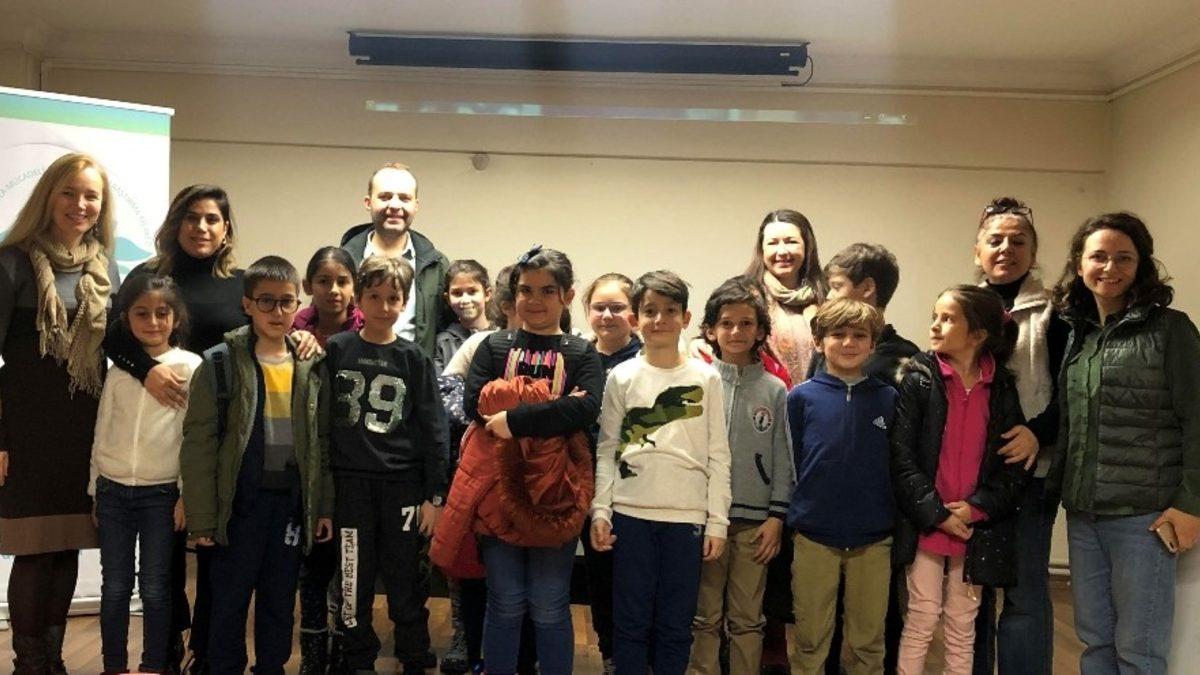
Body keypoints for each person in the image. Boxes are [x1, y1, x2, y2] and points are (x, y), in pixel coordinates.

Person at [104, 184, 249, 673]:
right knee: (162, 557)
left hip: (223, 435)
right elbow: (112, 339)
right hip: (161, 433)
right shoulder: (148, 276)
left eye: (212, 219)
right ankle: (165, 646)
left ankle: (204, 649)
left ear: (226, 228)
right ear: (174, 223)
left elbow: (266, 335)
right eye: (191, 217)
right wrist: (148, 372)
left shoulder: (240, 283)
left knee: (213, 550)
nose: (201, 227)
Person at [1049, 212, 1200, 675]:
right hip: (1084, 513)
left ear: (1141, 266)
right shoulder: (1078, 335)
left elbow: (1198, 418)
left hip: (1145, 518)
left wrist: (1190, 505)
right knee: (1094, 642)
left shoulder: (1170, 329)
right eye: (1098, 256)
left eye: (1124, 258)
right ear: (1080, 264)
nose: (1109, 268)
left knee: (1139, 650)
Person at [452, 246, 603, 675]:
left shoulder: (581, 352)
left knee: (550, 602)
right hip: (498, 489)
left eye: (547, 290)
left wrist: (514, 419)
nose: (534, 300)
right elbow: (476, 406)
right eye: (525, 290)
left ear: (567, 295)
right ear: (513, 295)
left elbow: (585, 409)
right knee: (505, 600)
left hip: (558, 492)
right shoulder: (493, 346)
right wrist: (553, 409)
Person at [180, 256, 333, 675]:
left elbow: (321, 444)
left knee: (280, 599)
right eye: (266, 301)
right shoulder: (219, 364)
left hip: (288, 506)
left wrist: (322, 506)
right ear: (247, 304)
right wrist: (202, 518)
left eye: (286, 302)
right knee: (228, 600)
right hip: (238, 507)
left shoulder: (310, 365)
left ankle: (272, 666)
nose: (277, 312)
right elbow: (198, 446)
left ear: (297, 304)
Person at [0, 152, 120, 673]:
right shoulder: (11, 262)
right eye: (69, 192)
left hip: (84, 431)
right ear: (48, 195)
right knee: (34, 549)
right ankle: (30, 664)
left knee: (69, 545)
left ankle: (53, 659)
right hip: (25, 432)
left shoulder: (106, 266)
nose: (80, 204)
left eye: (91, 195)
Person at [591, 270, 732, 675]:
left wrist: (717, 521)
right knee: (630, 622)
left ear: (685, 319)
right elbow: (607, 448)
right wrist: (601, 510)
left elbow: (719, 454)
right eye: (650, 311)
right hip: (630, 514)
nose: (660, 319)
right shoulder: (621, 377)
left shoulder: (706, 377)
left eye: (670, 311)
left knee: (675, 624)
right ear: (635, 319)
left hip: (686, 518)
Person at [890, 285, 1029, 675]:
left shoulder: (1001, 388)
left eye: (948, 319)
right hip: (928, 524)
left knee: (962, 624)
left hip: (974, 527)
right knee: (921, 616)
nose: (935, 325)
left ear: (978, 334)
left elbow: (1012, 466)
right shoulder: (918, 379)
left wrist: (976, 509)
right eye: (935, 316)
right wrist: (937, 514)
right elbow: (902, 458)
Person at [321, 255, 449, 674]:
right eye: (373, 296)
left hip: (402, 486)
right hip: (350, 486)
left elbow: (434, 430)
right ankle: (357, 652)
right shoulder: (337, 350)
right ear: (358, 298)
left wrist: (434, 495)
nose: (383, 306)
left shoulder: (414, 358)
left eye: (393, 298)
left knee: (404, 576)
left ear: (404, 302)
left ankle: (413, 651)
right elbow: (320, 423)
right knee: (353, 575)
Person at [970, 197, 1069, 675]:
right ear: (977, 251)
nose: (1006, 249)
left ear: (1033, 251)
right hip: (970, 476)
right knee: (970, 591)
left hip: (1031, 473)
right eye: (995, 240)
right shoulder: (961, 308)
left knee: (1024, 591)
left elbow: (1071, 391)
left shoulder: (1057, 313)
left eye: (1018, 241)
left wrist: (1036, 433)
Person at [90, 274, 198, 674]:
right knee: (115, 587)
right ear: (126, 318)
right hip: (113, 492)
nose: (153, 322)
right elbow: (103, 429)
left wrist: (185, 493)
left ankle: (153, 665)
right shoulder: (120, 370)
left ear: (176, 317)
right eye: (142, 313)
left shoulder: (191, 367)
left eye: (162, 313)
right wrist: (95, 489)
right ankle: (113, 666)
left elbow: (193, 436)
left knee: (155, 586)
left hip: (161, 495)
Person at [786, 299, 895, 675]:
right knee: (811, 638)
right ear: (819, 342)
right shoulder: (801, 398)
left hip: (873, 538)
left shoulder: (888, 398)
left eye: (859, 335)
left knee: (868, 640)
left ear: (872, 343)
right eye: (838, 334)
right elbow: (792, 461)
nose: (848, 342)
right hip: (814, 535)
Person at [688, 276, 790, 675]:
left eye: (746, 323)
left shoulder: (775, 390)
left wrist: (776, 516)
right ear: (710, 330)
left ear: (760, 331)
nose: (736, 332)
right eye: (726, 323)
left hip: (754, 523)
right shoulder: (697, 381)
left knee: (748, 619)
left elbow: (783, 457)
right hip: (706, 518)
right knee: (704, 616)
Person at [291, 246, 363, 674]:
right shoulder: (292, 333)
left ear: (354, 287)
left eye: (342, 281)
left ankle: (343, 647)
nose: (333, 290)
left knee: (348, 564)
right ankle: (313, 651)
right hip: (307, 466)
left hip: (353, 464)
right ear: (308, 286)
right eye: (323, 281)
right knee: (313, 564)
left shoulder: (368, 333)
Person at [579, 272, 642, 675]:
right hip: (583, 483)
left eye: (617, 307)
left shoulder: (650, 360)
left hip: (635, 486)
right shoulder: (577, 358)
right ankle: (611, 655)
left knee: (636, 580)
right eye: (599, 307)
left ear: (634, 314)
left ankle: (642, 656)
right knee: (601, 578)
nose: (607, 315)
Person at [341, 162, 450, 359]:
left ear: (416, 205)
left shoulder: (437, 265)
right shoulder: (343, 261)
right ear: (368, 202)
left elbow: (448, 329)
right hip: (353, 368)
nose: (395, 205)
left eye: (404, 198)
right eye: (385, 197)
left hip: (413, 371)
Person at [808, 242, 919, 384]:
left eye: (837, 286)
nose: (829, 296)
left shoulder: (905, 359)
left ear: (867, 288)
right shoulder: (825, 348)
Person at [435, 259, 495, 372]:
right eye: (457, 293)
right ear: (448, 298)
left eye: (472, 292)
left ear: (487, 294)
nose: (465, 300)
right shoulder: (442, 343)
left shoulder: (501, 334)